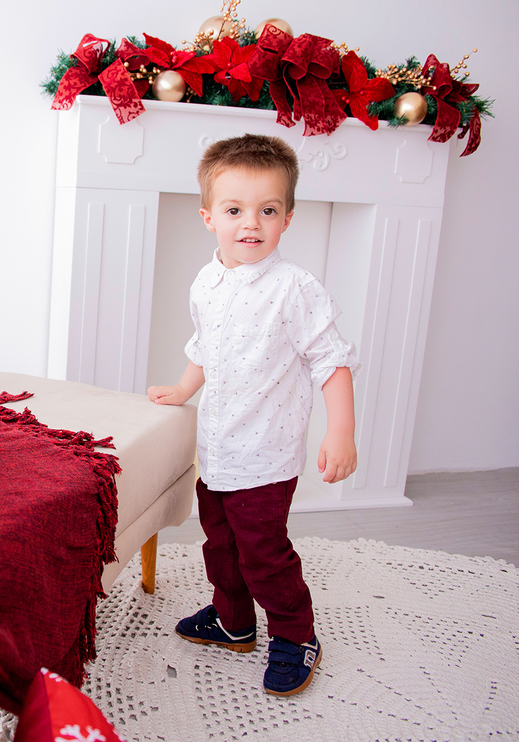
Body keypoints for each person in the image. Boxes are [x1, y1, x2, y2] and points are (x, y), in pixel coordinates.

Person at [147, 133, 360, 697]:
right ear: (208, 216)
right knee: (220, 545)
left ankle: (296, 633)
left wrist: (341, 431)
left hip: (266, 452)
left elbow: (330, 362)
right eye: (235, 210)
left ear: (288, 218)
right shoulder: (208, 279)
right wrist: (183, 388)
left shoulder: (295, 289)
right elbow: (205, 345)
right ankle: (233, 621)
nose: (251, 224)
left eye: (268, 211)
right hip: (216, 448)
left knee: (263, 552)